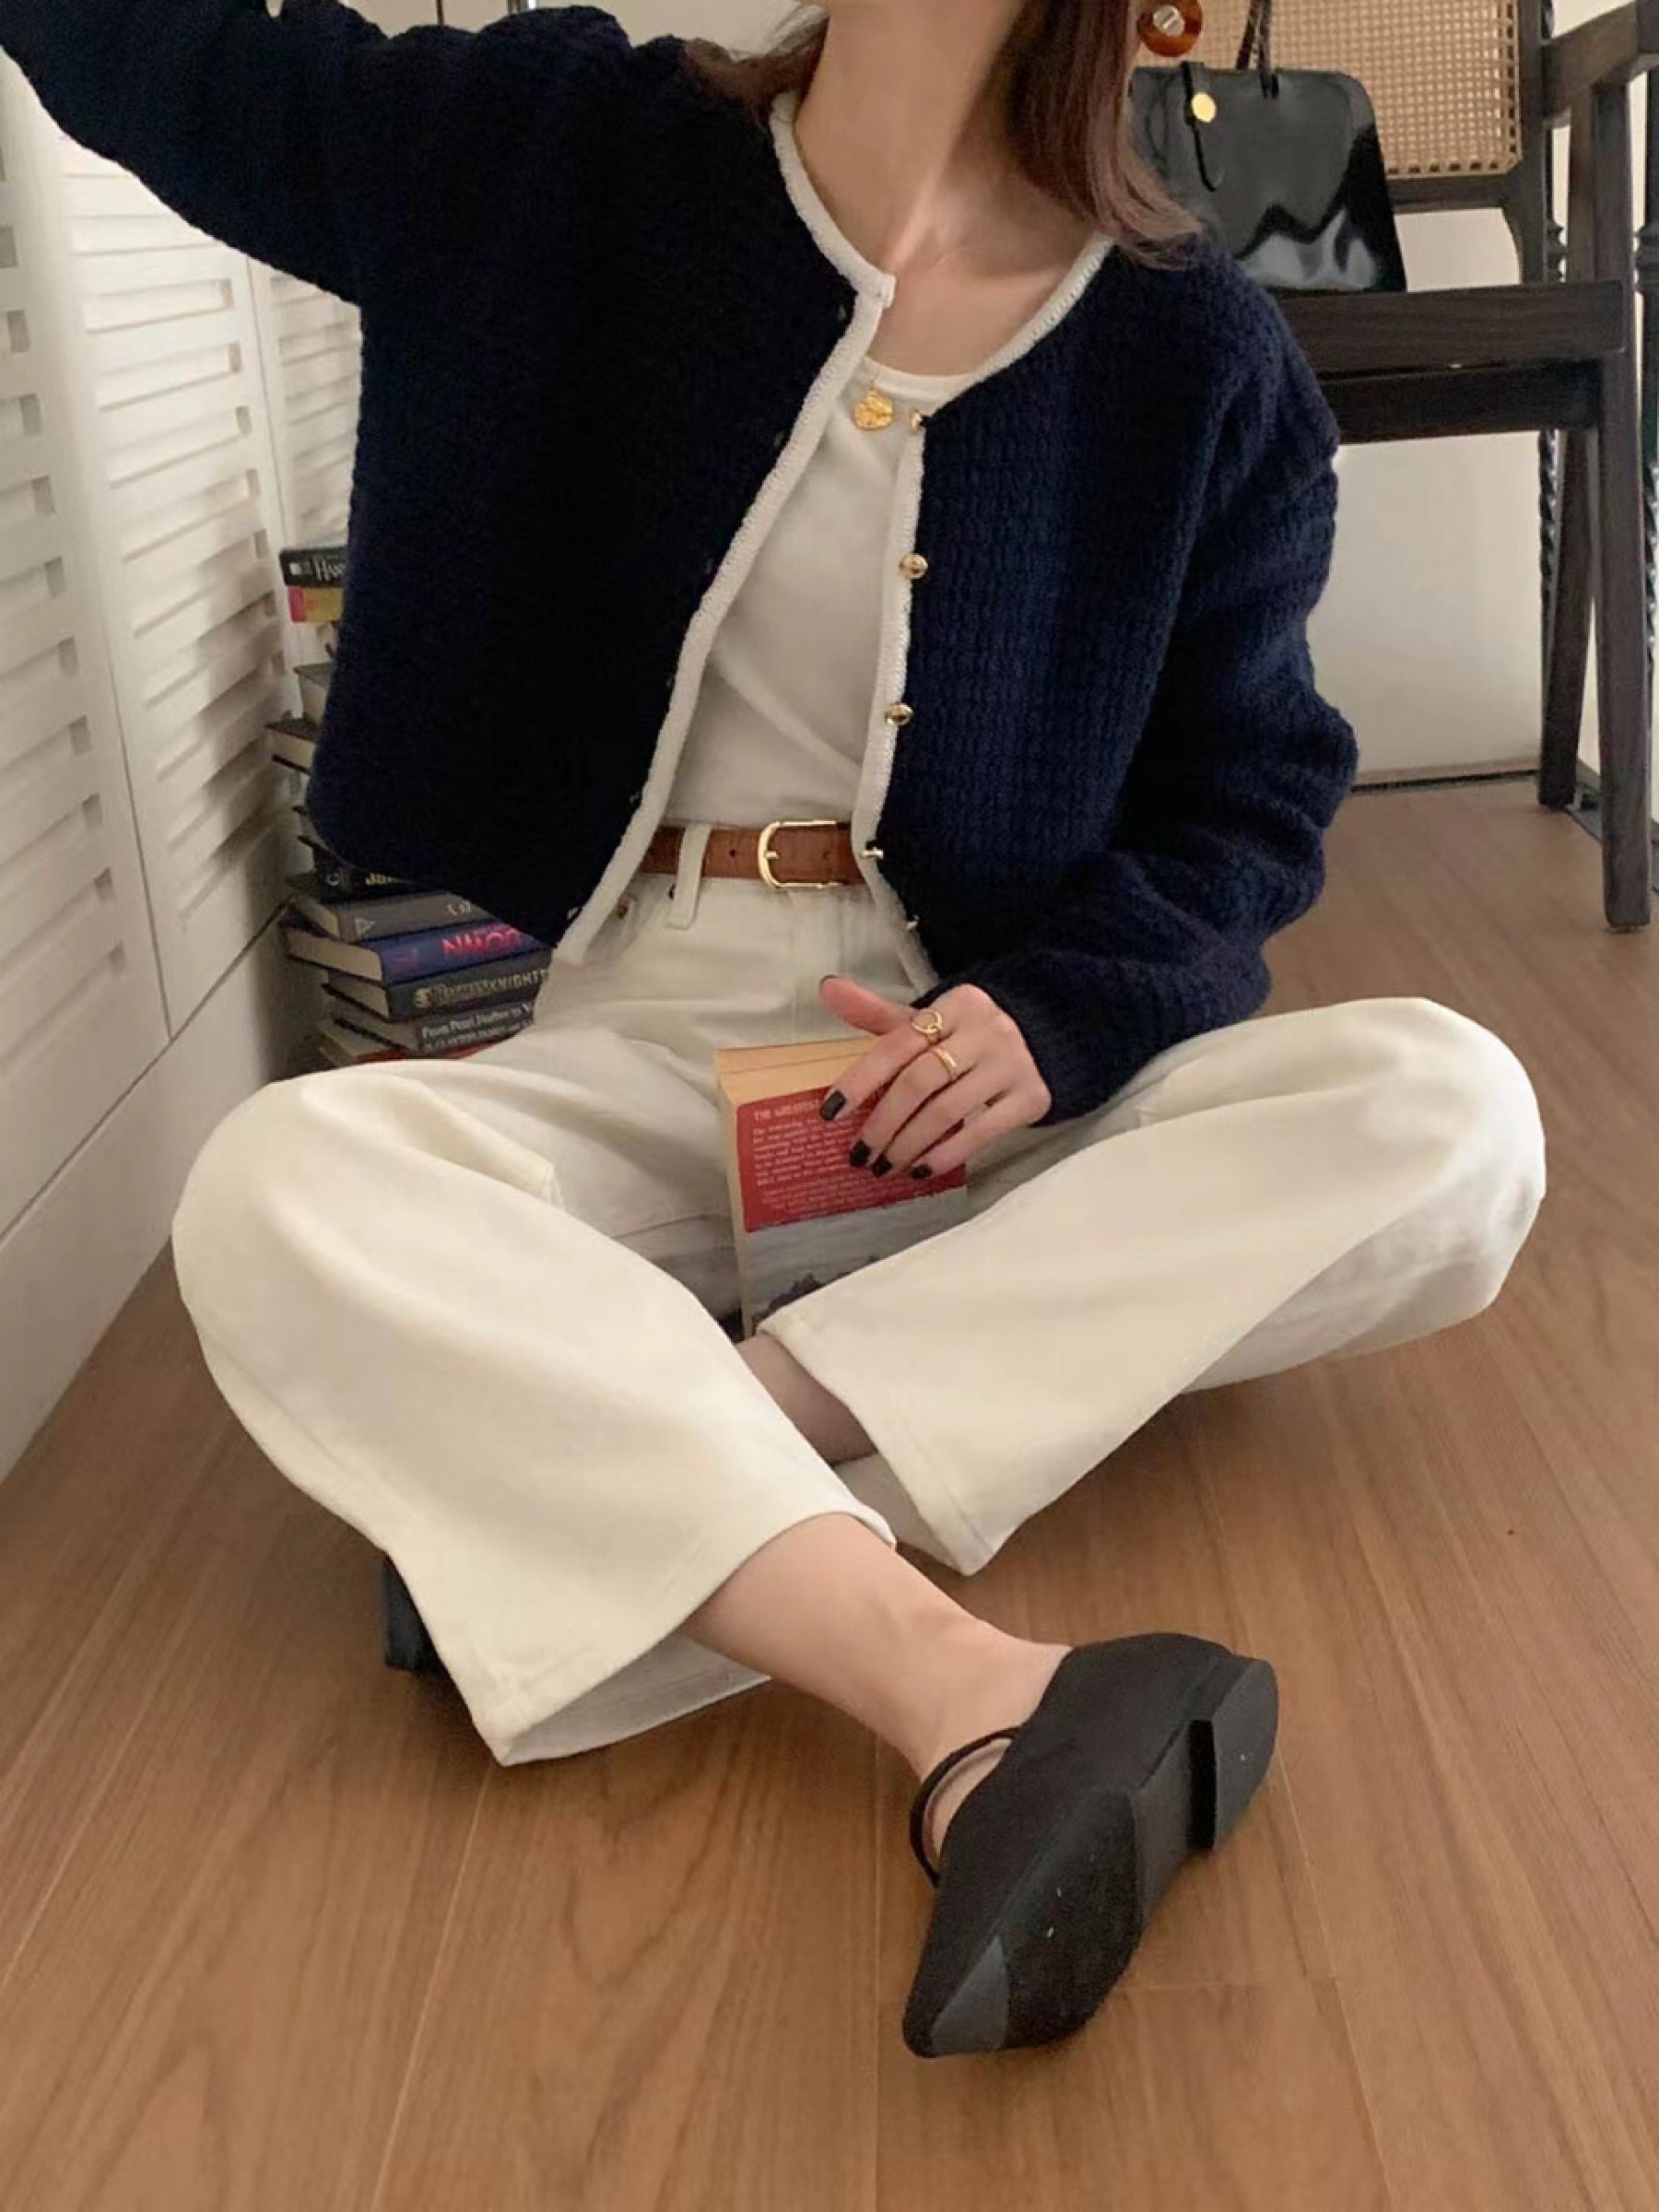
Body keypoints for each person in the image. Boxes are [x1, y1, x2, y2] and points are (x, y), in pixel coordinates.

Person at [3, 0, 1546, 2058]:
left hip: (995, 1092)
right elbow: (169, 65)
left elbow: (1252, 799)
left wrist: (1062, 1015)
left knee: (1453, 1111)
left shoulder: (1198, 357)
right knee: (282, 1182)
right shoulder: (567, 156)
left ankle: (665, 1445)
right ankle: (959, 1690)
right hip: (651, 1051)